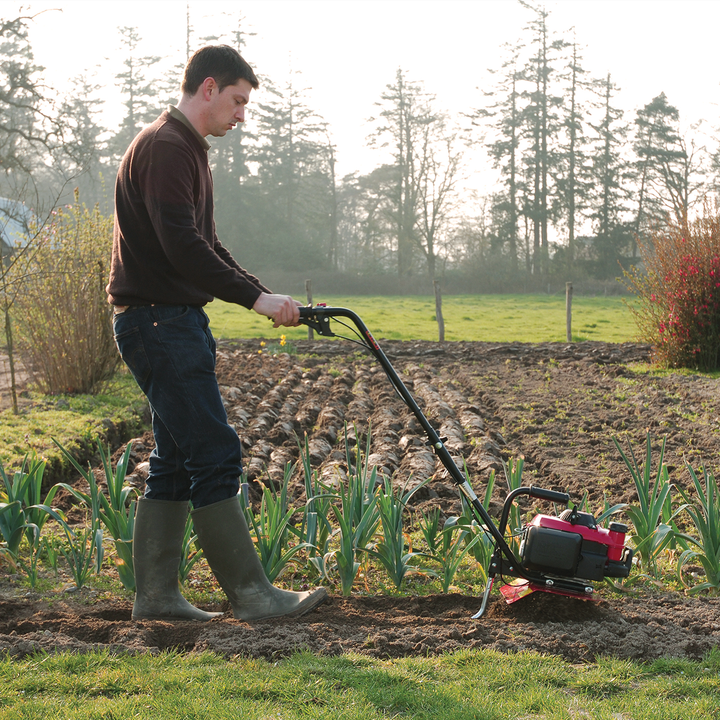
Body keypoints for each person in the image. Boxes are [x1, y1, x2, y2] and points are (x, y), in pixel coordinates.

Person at [107, 45, 327, 622]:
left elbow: (205, 244)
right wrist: (255, 299)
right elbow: (182, 246)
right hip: (158, 321)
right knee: (212, 449)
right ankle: (253, 596)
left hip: (171, 320)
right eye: (237, 101)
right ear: (208, 88)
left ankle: (156, 598)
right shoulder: (165, 148)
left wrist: (266, 294)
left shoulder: (186, 151)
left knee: (176, 459)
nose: (241, 114)